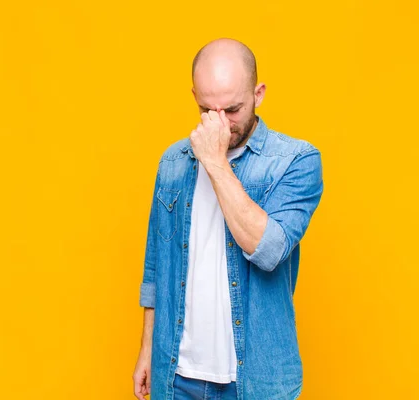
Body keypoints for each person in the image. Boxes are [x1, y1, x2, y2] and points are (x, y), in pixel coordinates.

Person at [132, 38, 324, 400]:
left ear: (258, 94)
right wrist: (146, 349)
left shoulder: (297, 161)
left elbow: (267, 250)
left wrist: (216, 162)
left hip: (257, 380)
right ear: (194, 96)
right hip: (176, 374)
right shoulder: (173, 163)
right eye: (206, 108)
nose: (220, 123)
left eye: (232, 109)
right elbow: (155, 268)